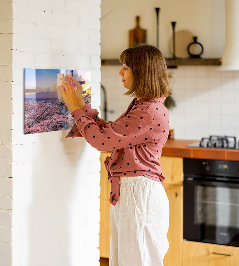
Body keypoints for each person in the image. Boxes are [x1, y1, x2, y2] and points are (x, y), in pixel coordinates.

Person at [59, 44, 171, 266]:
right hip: (134, 193)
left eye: (126, 67)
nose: (120, 72)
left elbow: (102, 141)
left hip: (139, 195)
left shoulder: (148, 111)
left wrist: (74, 108)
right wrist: (81, 105)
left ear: (142, 72)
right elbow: (110, 133)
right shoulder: (144, 106)